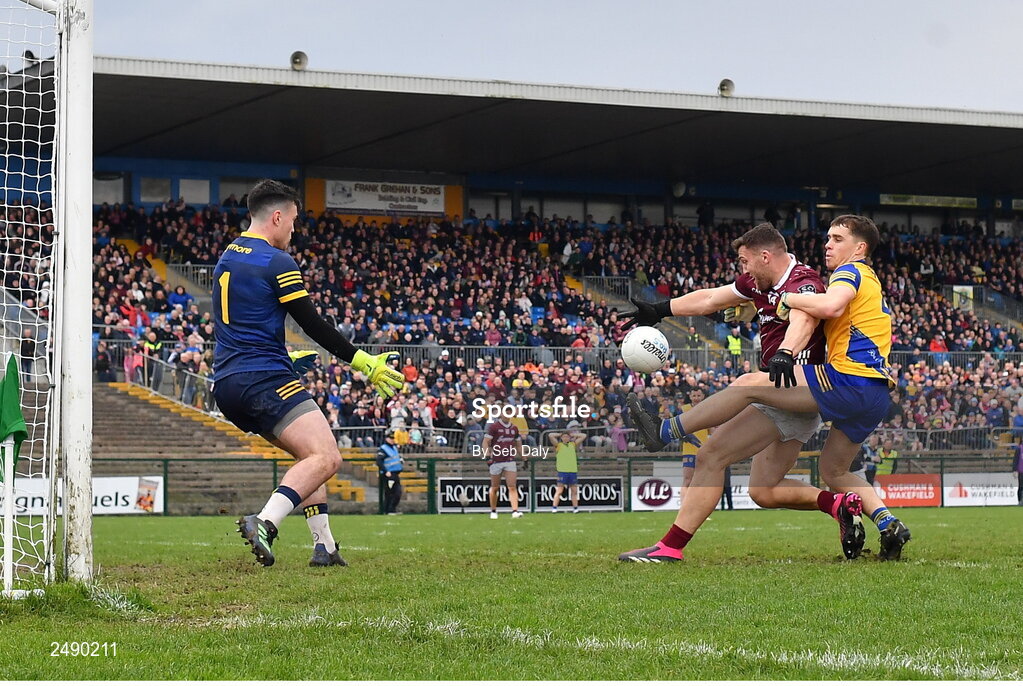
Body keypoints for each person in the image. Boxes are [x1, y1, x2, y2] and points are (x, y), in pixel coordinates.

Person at [627, 215, 911, 562]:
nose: (741, 269)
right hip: (840, 389)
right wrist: (660, 309)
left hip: (805, 381)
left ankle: (665, 438)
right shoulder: (759, 284)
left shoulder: (807, 280)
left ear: (766, 256)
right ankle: (846, 507)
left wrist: (786, 352)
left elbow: (808, 317)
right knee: (766, 488)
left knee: (721, 435)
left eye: (745, 261)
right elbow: (711, 299)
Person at [216, 180, 406, 567]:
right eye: (294, 220)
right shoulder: (277, 261)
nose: (294, 229)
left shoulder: (228, 255)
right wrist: (364, 362)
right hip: (263, 378)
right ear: (277, 216)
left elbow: (241, 322)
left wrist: (284, 354)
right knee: (327, 457)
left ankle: (326, 547)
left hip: (228, 383)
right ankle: (265, 522)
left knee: (309, 458)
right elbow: (313, 324)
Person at [481, 411, 525, 519]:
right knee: (495, 487)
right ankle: (493, 510)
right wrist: (487, 456)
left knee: (512, 486)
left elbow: (518, 445)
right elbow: (485, 441)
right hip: (496, 460)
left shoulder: (514, 428)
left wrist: (524, 458)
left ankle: (515, 511)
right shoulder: (494, 427)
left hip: (509, 459)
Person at [549, 430, 585, 513]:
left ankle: (575, 508)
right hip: (562, 471)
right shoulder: (559, 445)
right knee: (559, 490)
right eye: (564, 437)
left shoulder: (573, 444)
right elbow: (551, 435)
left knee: (574, 491)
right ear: (561, 438)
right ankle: (554, 508)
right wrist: (559, 434)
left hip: (572, 471)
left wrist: (573, 434)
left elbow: (583, 436)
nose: (566, 438)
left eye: (567, 437)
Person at [376, 430, 404, 514]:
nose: (392, 440)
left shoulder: (394, 448)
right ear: (387, 439)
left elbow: (395, 458)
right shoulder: (383, 448)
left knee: (397, 492)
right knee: (390, 493)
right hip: (389, 474)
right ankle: (388, 510)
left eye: (393, 438)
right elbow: (379, 461)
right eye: (391, 438)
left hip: (396, 473)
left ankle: (392, 509)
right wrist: (385, 471)